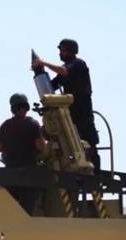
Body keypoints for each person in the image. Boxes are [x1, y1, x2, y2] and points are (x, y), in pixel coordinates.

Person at [32, 39, 100, 171]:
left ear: (69, 51)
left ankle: (95, 172)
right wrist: (39, 73)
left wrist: (43, 63)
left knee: (89, 145)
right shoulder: (66, 70)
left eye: (62, 50)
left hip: (82, 114)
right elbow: (51, 86)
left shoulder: (78, 64)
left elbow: (63, 71)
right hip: (69, 115)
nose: (60, 53)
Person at [0, 93, 46, 212]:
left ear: (12, 108)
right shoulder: (33, 124)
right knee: (28, 210)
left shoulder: (6, 125)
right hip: (28, 176)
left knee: (11, 210)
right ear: (26, 107)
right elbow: (41, 146)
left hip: (10, 176)